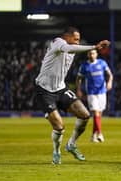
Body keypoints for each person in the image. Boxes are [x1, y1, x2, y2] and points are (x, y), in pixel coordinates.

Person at [35, 26, 110, 164]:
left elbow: (72, 49)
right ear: (66, 37)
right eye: (75, 39)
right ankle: (56, 152)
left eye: (78, 40)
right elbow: (69, 48)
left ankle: (71, 144)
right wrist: (94, 46)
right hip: (45, 90)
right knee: (59, 126)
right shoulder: (57, 42)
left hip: (60, 89)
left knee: (85, 115)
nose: (77, 42)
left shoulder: (72, 49)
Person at [76, 49, 113, 143]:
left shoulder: (102, 63)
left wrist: (109, 82)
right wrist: (78, 89)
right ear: (88, 55)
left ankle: (93, 136)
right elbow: (79, 78)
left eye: (93, 53)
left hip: (102, 91)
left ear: (96, 54)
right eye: (90, 53)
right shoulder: (84, 66)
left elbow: (110, 74)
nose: (92, 55)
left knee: (99, 115)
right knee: (96, 113)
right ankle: (100, 133)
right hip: (91, 92)